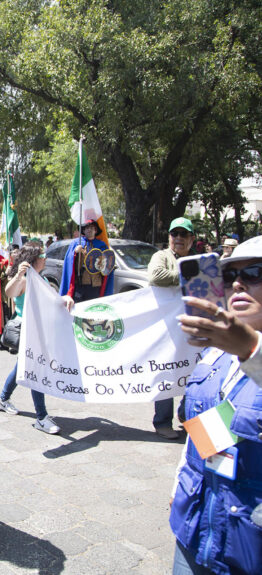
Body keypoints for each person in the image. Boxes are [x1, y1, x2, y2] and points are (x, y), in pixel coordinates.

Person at [169, 235, 262, 575]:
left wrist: (251, 350)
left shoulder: (246, 349)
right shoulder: (214, 353)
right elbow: (202, 434)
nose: (237, 283)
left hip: (249, 550)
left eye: (253, 273)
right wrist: (179, 485)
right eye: (228, 276)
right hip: (194, 531)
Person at [0, 243, 61, 434]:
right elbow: (9, 292)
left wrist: (65, 300)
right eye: (42, 255)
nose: (46, 258)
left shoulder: (41, 278)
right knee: (34, 370)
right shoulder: (24, 279)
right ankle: (41, 417)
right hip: (27, 331)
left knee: (22, 368)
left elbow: (52, 300)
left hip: (38, 331)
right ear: (33, 259)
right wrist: (17, 275)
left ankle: (3, 398)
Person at [147, 216, 195, 440]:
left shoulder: (197, 259)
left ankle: (187, 417)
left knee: (193, 374)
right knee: (167, 374)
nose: (178, 238)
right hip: (166, 329)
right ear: (169, 237)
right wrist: (189, 276)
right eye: (174, 234)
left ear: (191, 239)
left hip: (193, 328)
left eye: (183, 234)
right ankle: (163, 422)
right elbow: (156, 276)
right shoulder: (162, 256)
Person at [60, 219, 115, 310]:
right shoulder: (76, 243)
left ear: (96, 230)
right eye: (87, 228)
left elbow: (108, 263)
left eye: (92, 228)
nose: (89, 230)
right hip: (80, 284)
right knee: (78, 310)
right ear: (83, 230)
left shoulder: (102, 245)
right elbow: (69, 261)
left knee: (93, 310)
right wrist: (75, 253)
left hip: (95, 285)